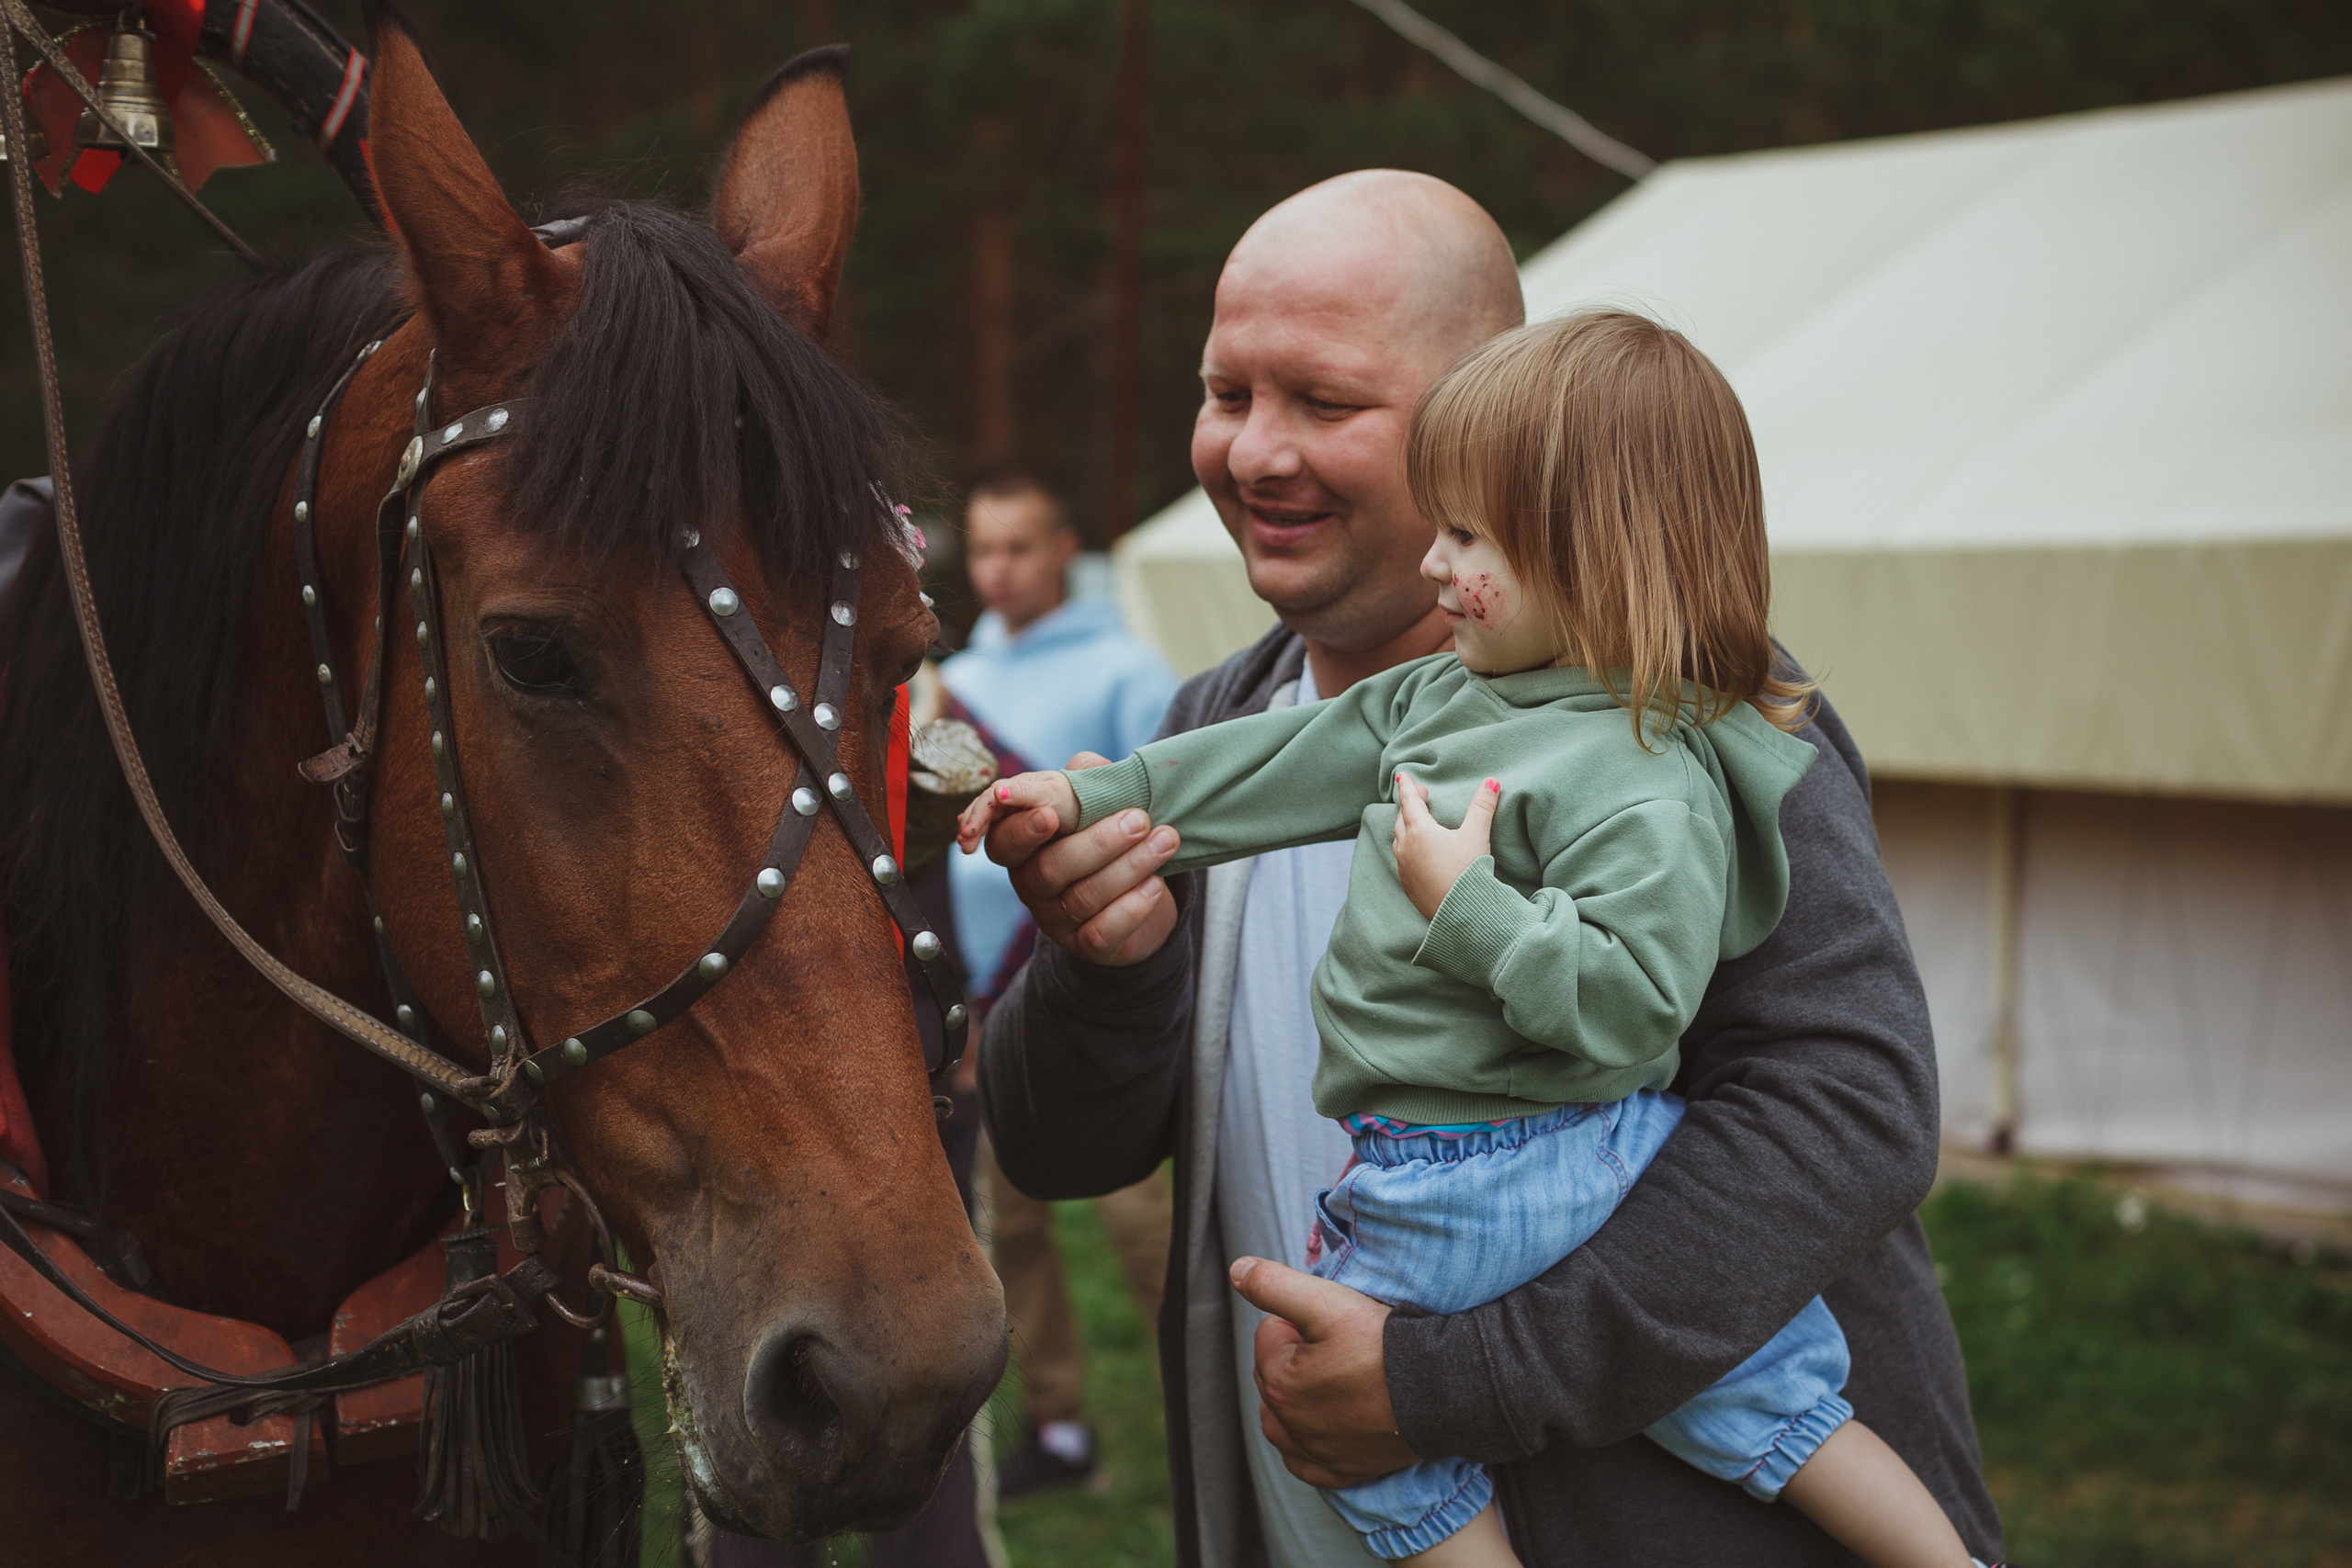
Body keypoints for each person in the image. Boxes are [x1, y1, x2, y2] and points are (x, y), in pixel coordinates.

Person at [974, 169, 2004, 1567]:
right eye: (1227, 393)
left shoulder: (1695, 710)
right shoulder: (1210, 731)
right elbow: (1059, 1143)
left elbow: (1846, 1112)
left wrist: (1446, 1382)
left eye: (1325, 402)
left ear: (1488, 414)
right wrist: (1108, 969)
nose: (1254, 451)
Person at [940, 472, 1179, 1495]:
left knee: (1145, 1224)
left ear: (1063, 549)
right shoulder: (949, 679)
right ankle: (1058, 1428)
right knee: (1010, 1229)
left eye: (1020, 548)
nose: (999, 569)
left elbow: (1169, 827)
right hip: (981, 1005)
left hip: (1091, 994)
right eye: (984, 550)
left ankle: (1205, 1400)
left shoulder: (1128, 668)